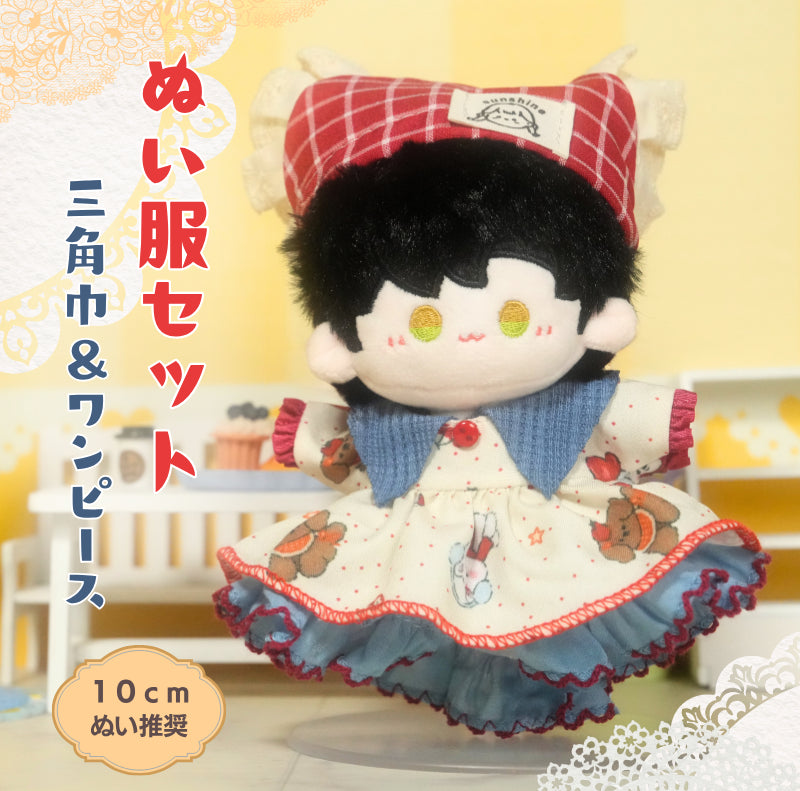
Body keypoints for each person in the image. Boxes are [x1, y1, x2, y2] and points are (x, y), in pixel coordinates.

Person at [214, 73, 766, 736]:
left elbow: (634, 423)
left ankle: (523, 702)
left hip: (552, 546)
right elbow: (333, 447)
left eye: (514, 316)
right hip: (413, 549)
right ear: (341, 341)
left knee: (549, 609)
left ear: (598, 316)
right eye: (421, 324)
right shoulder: (381, 427)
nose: (471, 336)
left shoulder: (581, 408)